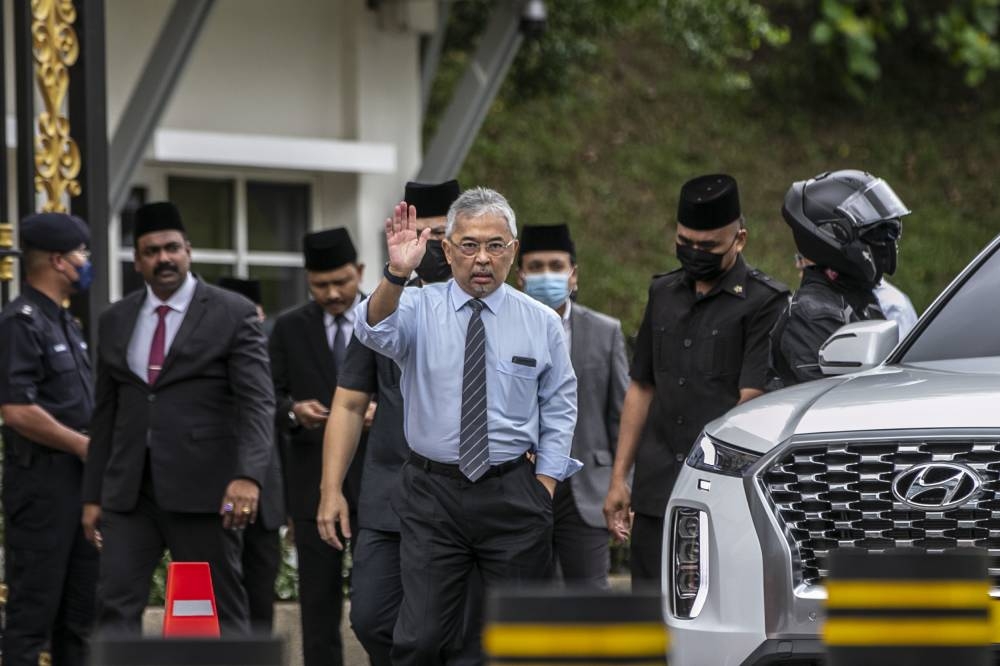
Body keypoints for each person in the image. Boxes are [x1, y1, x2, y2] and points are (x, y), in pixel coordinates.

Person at [354, 187, 580, 665]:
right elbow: (371, 329)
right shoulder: (417, 306)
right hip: (433, 494)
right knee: (419, 637)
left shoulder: (540, 322)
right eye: (470, 244)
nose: (482, 258)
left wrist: (545, 485)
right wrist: (397, 272)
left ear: (512, 251)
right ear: (448, 248)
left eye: (495, 245)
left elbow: (560, 406)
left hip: (513, 493)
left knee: (516, 641)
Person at [81, 201, 275, 636]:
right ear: (137, 262)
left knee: (223, 610)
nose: (163, 258)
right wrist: (93, 494)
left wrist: (248, 476)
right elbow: (106, 413)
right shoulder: (115, 319)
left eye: (171, 248)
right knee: (113, 606)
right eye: (151, 251)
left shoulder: (233, 312)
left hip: (207, 490)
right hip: (131, 494)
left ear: (188, 250)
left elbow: (257, 403)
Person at [316, 180, 483, 665]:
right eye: (421, 232)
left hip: (466, 498)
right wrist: (331, 489)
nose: (429, 244)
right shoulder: (382, 306)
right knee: (371, 617)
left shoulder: (489, 303)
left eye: (439, 233)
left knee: (460, 632)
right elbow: (348, 403)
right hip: (390, 495)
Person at [603, 174, 788, 586]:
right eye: (686, 242)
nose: (695, 253)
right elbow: (642, 386)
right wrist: (620, 478)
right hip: (655, 491)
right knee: (648, 614)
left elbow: (751, 400)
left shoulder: (765, 302)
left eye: (708, 247)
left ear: (739, 239)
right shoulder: (662, 292)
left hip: (720, 494)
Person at [0, 213, 98, 665]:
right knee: (31, 619)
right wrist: (81, 444)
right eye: (83, 254)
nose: (87, 262)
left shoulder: (66, 324)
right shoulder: (20, 322)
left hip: (80, 490)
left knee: (79, 619)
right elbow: (17, 409)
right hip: (42, 490)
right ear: (59, 261)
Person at [269, 228, 365, 666]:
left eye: (341, 282)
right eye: (320, 285)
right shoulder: (288, 328)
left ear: (359, 273)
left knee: (380, 600)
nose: (332, 293)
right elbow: (267, 397)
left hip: (377, 482)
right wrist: (293, 412)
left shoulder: (384, 316)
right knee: (318, 602)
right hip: (312, 487)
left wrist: (382, 407)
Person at [517, 224, 628, 587]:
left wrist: (623, 483)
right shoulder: (504, 328)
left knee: (590, 599)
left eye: (555, 265)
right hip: (523, 484)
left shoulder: (605, 332)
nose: (546, 275)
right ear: (520, 276)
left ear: (573, 274)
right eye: (535, 267)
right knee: (530, 599)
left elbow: (621, 415)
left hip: (587, 486)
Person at [769, 169, 911, 387]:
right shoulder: (814, 313)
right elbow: (842, 398)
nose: (887, 242)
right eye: (877, 233)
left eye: (891, 232)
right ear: (835, 235)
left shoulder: (856, 298)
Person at [217, 276, 286, 634]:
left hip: (267, 501)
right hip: (216, 496)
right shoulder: (204, 355)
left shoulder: (272, 352)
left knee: (260, 606)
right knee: (222, 604)